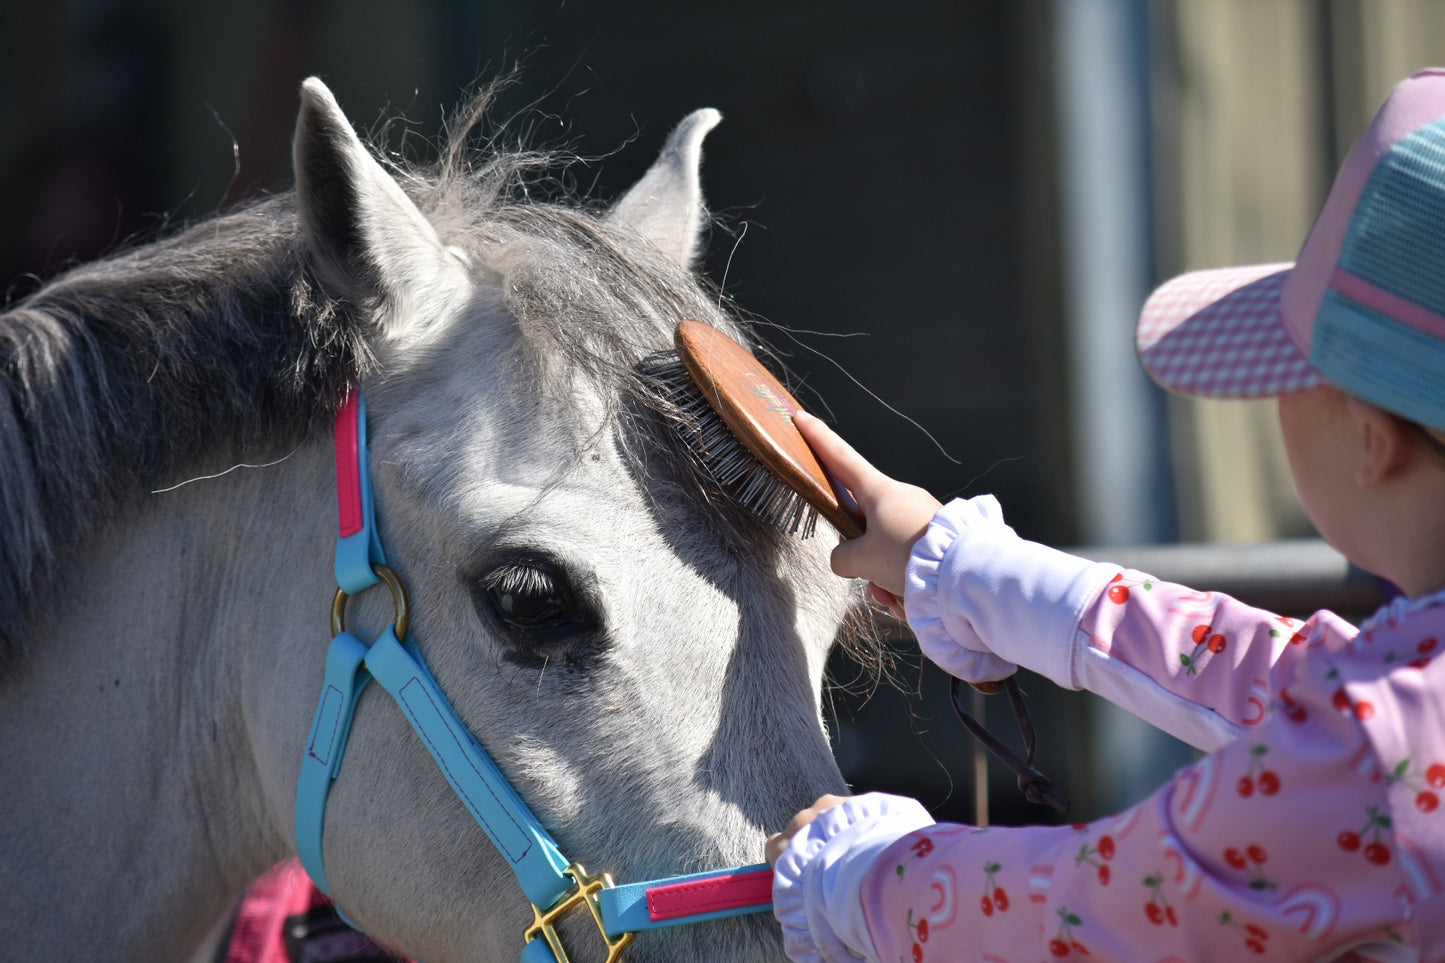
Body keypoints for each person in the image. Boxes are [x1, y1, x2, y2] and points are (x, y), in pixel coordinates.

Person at [766, 68, 1445, 962]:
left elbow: (1105, 907)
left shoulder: (1370, 749)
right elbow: (1283, 676)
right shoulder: (1398, 704)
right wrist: (969, 572)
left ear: (1369, 438)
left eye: (1289, 371)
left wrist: (858, 873)